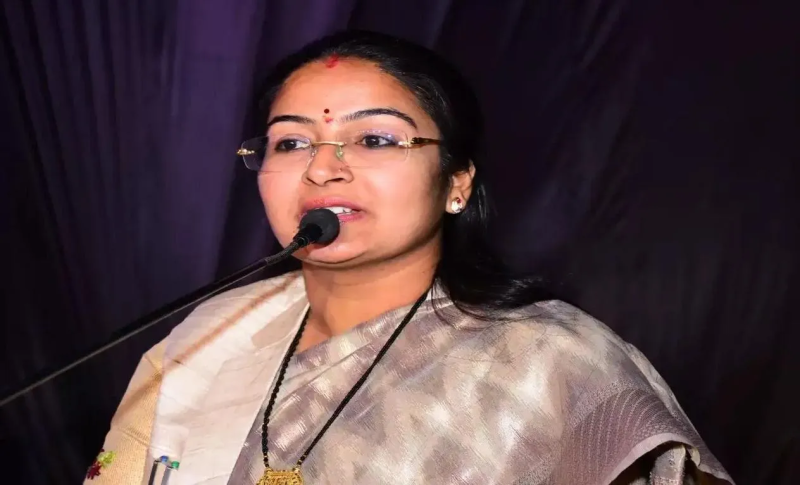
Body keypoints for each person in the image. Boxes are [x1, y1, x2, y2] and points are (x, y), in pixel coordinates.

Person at [86, 30, 733, 485]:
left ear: (457, 183)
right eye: (291, 143)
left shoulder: (548, 363)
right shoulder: (207, 341)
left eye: (373, 138)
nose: (323, 168)